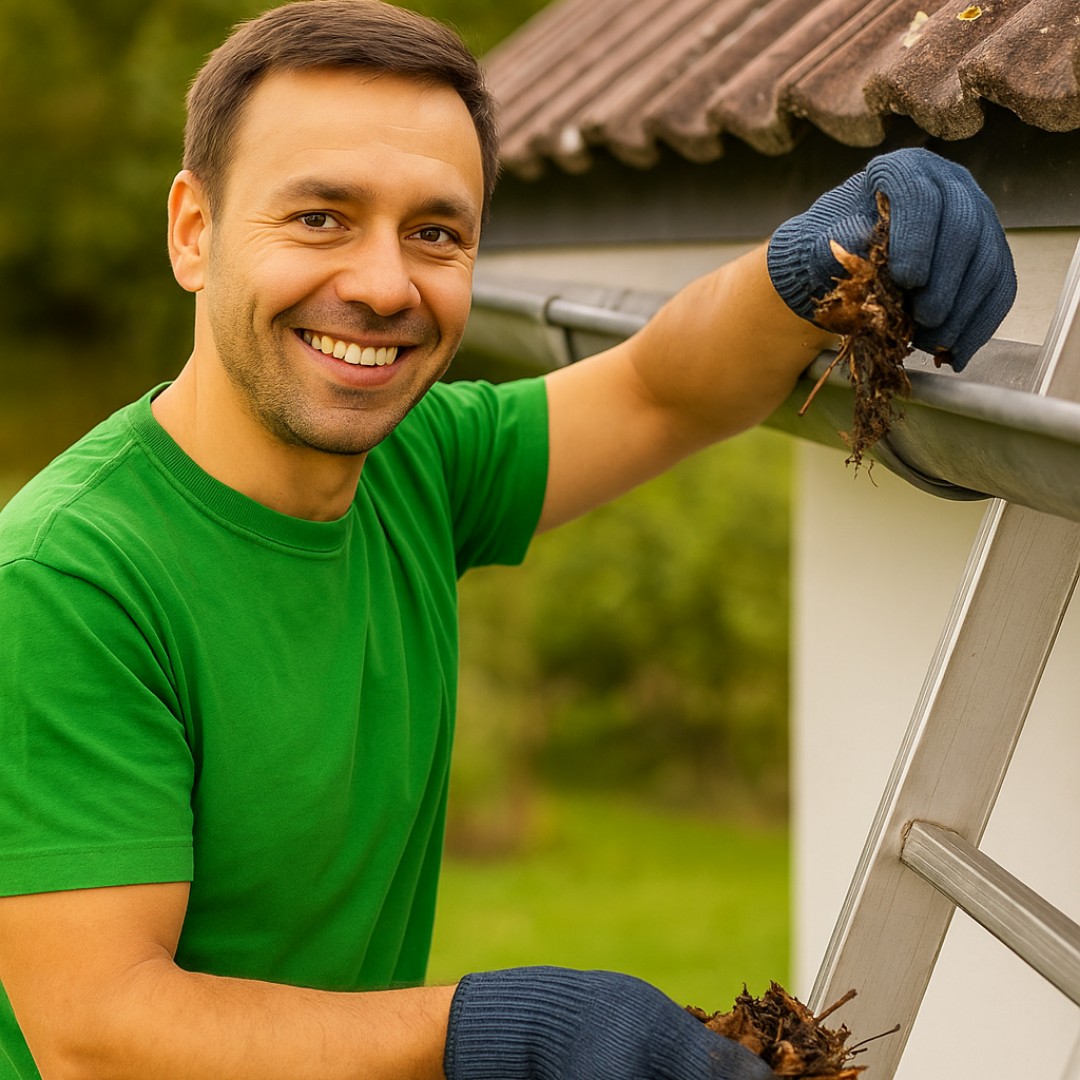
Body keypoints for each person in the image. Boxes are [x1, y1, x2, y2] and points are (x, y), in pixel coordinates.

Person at [0, 1, 1016, 1078]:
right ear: (193, 231)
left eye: (435, 233)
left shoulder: (414, 465)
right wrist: (507, 1030)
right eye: (320, 217)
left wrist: (824, 256)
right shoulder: (69, 582)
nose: (384, 285)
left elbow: (658, 389)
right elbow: (99, 1036)